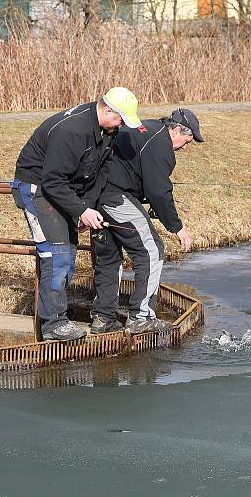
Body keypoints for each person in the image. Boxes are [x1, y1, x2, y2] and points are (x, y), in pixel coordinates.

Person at [12, 87, 142, 341]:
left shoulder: (107, 131)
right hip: (37, 187)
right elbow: (52, 180)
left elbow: (100, 172)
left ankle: (57, 318)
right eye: (119, 119)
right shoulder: (72, 131)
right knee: (56, 254)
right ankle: (53, 325)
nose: (121, 125)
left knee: (68, 256)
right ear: (107, 110)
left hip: (62, 189)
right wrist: (81, 210)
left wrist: (87, 208)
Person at [90, 108, 204, 334]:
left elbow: (140, 176)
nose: (185, 147)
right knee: (152, 250)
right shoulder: (161, 145)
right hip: (115, 196)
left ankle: (103, 318)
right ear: (177, 131)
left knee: (109, 255)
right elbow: (159, 192)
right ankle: (141, 317)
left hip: (95, 194)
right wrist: (177, 227)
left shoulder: (149, 127)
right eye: (187, 141)